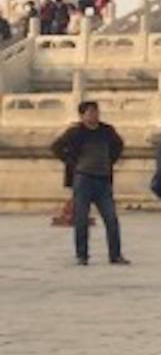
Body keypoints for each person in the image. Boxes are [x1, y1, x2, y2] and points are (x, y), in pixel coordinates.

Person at [51, 100, 127, 265]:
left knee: (111, 219)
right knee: (81, 219)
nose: (94, 115)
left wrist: (110, 161)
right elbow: (56, 147)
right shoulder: (75, 132)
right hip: (83, 179)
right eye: (90, 112)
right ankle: (82, 255)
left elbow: (119, 145)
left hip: (103, 180)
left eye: (96, 111)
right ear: (82, 115)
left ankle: (115, 255)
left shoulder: (107, 131)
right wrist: (72, 162)